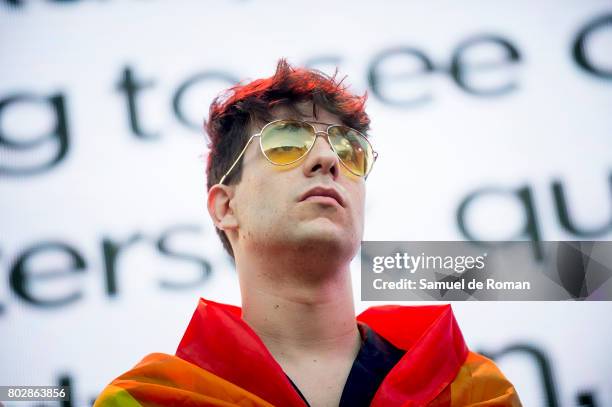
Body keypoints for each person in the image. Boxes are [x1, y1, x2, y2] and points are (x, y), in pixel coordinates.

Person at [94, 59, 521, 407]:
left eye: (348, 149)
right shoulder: (150, 400)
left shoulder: (470, 389)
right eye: (285, 142)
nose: (326, 159)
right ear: (225, 207)